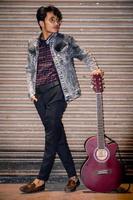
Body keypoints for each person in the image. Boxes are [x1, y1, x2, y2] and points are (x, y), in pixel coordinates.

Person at [19, 5, 103, 193]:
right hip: (39, 95)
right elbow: (29, 69)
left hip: (59, 92)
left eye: (58, 20)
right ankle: (73, 177)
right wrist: (30, 90)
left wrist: (94, 68)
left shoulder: (66, 41)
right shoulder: (32, 43)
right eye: (52, 20)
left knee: (51, 136)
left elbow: (84, 54)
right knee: (57, 136)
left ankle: (41, 179)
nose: (56, 23)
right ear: (41, 23)